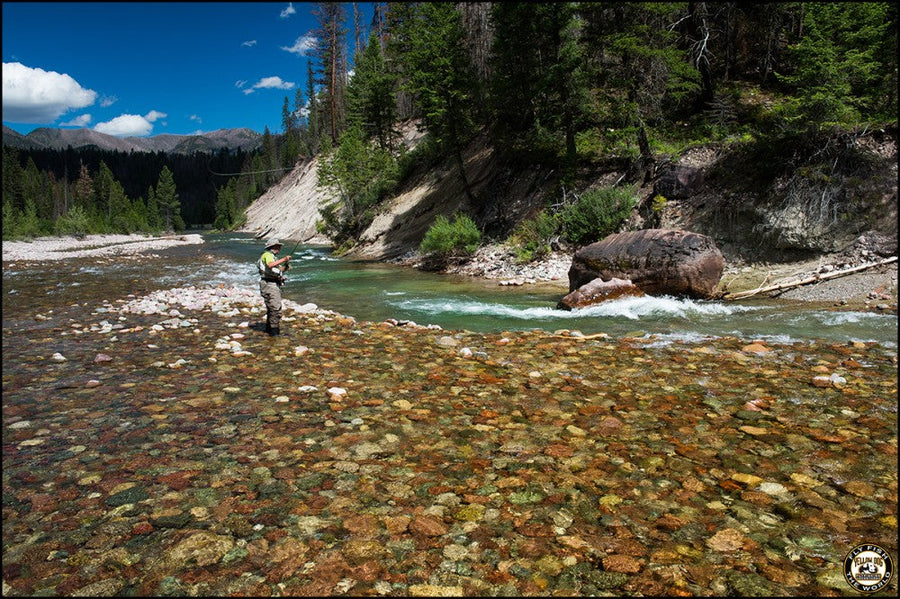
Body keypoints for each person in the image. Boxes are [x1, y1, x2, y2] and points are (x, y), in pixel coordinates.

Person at [257, 238, 291, 336]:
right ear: (271, 247)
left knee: (271, 309)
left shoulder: (271, 256)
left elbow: (275, 270)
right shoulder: (267, 255)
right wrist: (284, 259)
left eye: (279, 246)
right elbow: (270, 265)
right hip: (269, 285)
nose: (279, 248)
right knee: (276, 309)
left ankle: (269, 331)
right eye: (277, 246)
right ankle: (274, 333)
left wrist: (284, 269)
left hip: (269, 284)